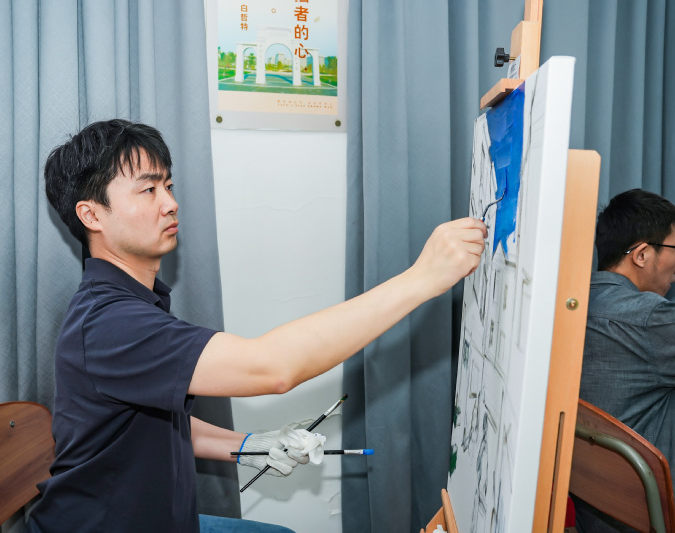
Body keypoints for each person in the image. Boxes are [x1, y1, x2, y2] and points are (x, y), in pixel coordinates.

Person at [27, 119, 487, 532]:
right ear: (91, 215)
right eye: (148, 191)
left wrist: (251, 444)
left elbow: (153, 427)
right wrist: (420, 279)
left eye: (168, 185)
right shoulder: (111, 323)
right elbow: (272, 367)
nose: (171, 203)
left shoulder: (131, 302)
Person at [574, 188, 675, 533]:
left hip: (596, 514)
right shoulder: (650, 320)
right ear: (641, 255)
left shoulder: (571, 308)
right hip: (654, 519)